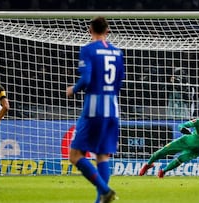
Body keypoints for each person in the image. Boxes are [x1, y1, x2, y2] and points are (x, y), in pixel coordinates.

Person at [66, 16, 125, 203]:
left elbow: (87, 79)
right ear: (107, 31)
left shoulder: (88, 50)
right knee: (102, 156)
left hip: (94, 108)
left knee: (75, 155)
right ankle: (100, 201)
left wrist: (73, 89)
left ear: (90, 30)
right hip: (113, 108)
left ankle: (105, 190)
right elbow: (119, 82)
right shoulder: (118, 52)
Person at [139, 109, 199, 178]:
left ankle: (163, 171)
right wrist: (182, 128)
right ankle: (148, 165)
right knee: (163, 151)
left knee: (180, 159)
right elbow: (182, 125)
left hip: (195, 151)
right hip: (185, 141)